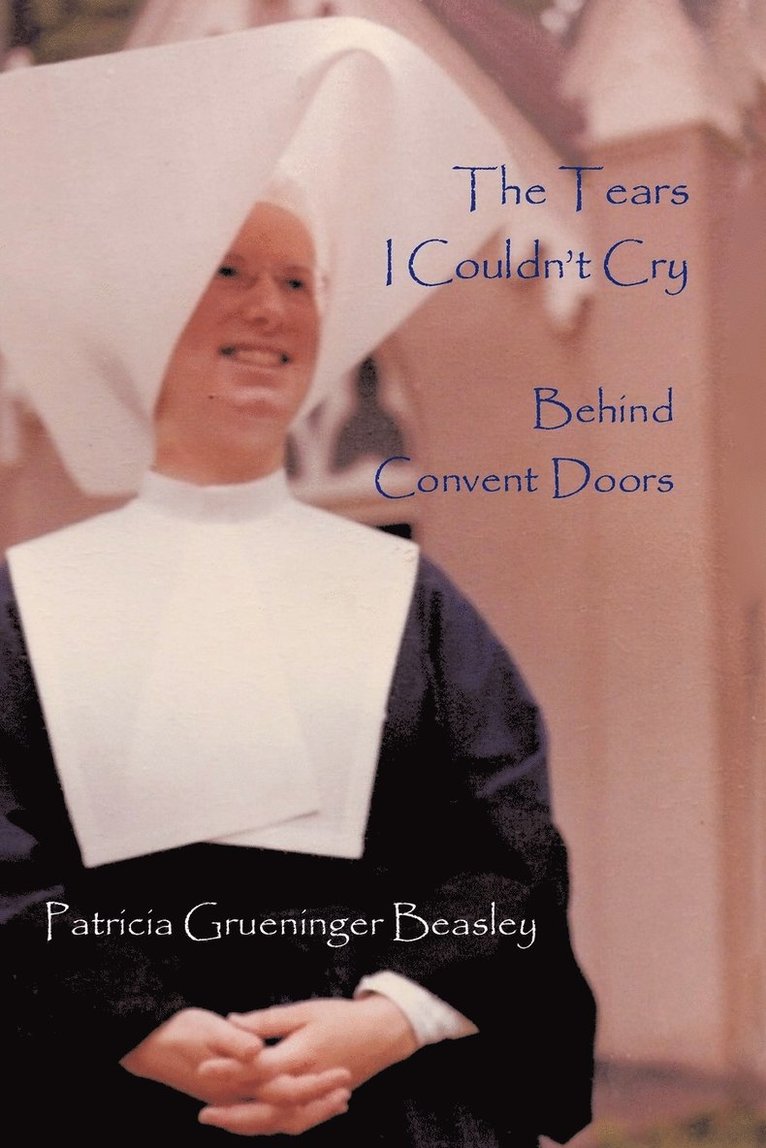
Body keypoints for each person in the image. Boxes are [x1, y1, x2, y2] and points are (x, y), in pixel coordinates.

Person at [0, 17, 595, 1145]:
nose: (270, 309)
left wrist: (391, 1016)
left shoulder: (410, 599)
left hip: (389, 1111)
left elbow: (509, 853)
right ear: (141, 304)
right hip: (110, 1107)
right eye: (226, 270)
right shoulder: (25, 606)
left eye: (297, 279)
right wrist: (137, 1023)